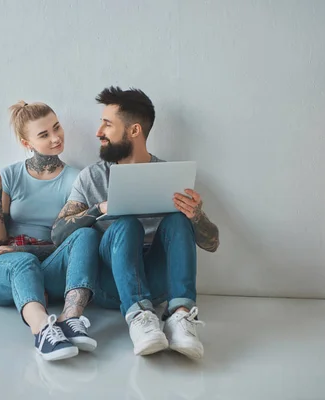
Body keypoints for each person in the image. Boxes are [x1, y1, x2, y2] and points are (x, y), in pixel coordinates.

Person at [50, 87, 220, 359]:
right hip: (110, 285)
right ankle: (139, 318)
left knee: (177, 219)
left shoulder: (171, 176)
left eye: (107, 124)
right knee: (126, 223)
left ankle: (180, 317)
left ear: (134, 130)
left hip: (156, 285)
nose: (98, 132)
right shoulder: (90, 177)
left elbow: (213, 243)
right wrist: (99, 209)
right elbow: (58, 235)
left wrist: (195, 216)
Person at [0, 101, 100, 362]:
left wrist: (23, 249)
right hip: (6, 266)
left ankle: (70, 320)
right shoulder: (10, 175)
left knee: (87, 234)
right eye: (44, 134)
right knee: (23, 262)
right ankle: (43, 331)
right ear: (27, 143)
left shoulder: (76, 179)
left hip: (48, 262)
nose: (56, 137)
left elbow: (66, 240)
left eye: (56, 127)